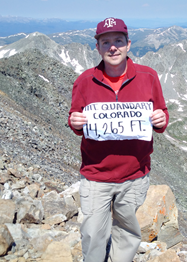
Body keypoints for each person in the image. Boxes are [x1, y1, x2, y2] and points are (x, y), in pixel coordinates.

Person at [68, 17, 169, 262]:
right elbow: (76, 118)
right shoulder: (84, 81)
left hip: (134, 176)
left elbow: (162, 115)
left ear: (128, 44)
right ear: (98, 47)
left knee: (126, 233)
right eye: (106, 42)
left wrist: (161, 120)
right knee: (92, 234)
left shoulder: (149, 77)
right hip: (96, 175)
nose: (113, 47)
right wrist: (74, 123)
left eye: (118, 41)